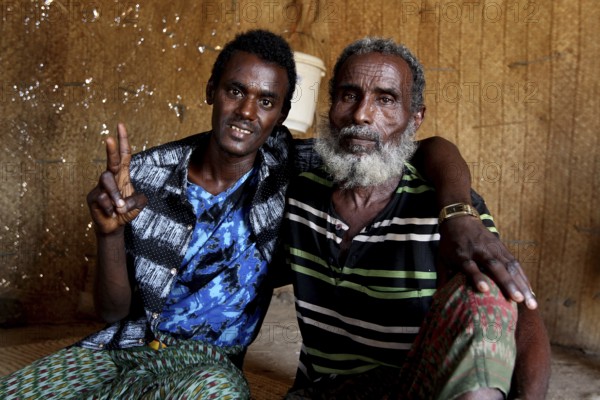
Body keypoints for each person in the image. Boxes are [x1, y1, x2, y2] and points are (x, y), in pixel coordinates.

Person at [0, 30, 537, 399]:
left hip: (220, 371)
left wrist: (460, 212)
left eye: (265, 101)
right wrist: (110, 234)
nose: (246, 113)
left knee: (485, 295)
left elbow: (422, 147)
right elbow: (114, 313)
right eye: (235, 91)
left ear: (282, 114)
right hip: (137, 349)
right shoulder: (163, 175)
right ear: (213, 92)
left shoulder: (310, 171)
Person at [282, 37, 551, 399]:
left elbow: (515, 312)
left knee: (486, 295)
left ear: (415, 118)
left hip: (416, 386)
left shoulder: (442, 207)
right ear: (331, 107)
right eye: (349, 95)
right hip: (327, 389)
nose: (362, 114)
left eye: (385, 100)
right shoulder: (299, 193)